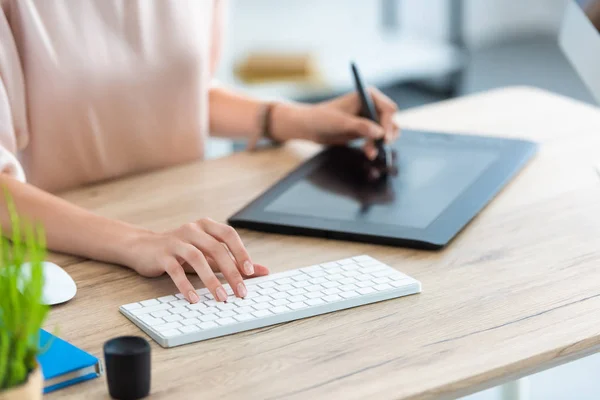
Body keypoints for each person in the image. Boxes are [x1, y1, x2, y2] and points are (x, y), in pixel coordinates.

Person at [0, 0, 399, 304]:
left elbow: (183, 91)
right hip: (71, 253)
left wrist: (295, 120)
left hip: (189, 235)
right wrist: (138, 243)